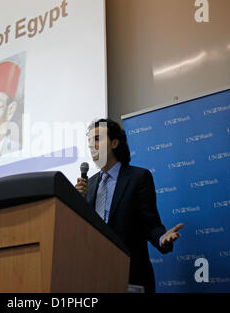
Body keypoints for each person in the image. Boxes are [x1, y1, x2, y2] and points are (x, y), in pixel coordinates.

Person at [75, 118, 184, 293]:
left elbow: (151, 224)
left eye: (97, 139)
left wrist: (162, 238)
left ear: (114, 143)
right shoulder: (90, 184)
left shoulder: (138, 178)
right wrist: (77, 201)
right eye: (89, 141)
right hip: (95, 276)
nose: (91, 145)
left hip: (131, 276)